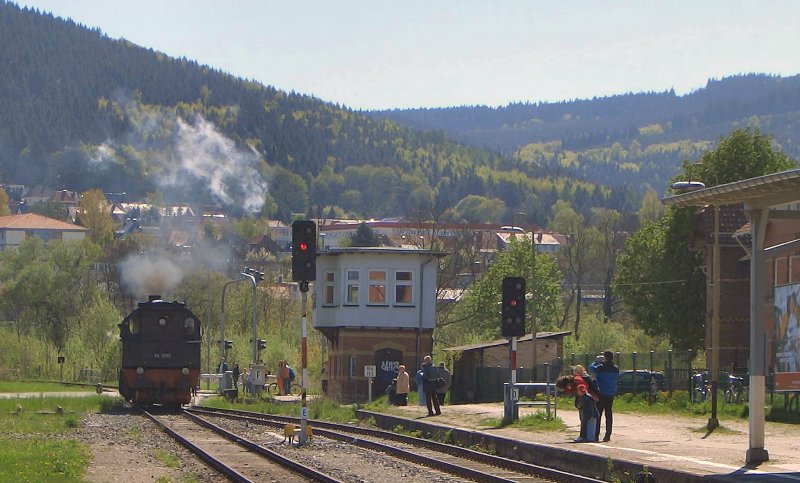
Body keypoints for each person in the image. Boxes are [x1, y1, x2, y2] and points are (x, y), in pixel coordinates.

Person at [589, 350, 620, 442]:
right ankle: (608, 435)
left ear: (605, 358)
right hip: (611, 393)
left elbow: (590, 368)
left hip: (601, 393)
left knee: (598, 414)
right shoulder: (616, 369)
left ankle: (596, 435)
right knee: (608, 414)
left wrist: (597, 361)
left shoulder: (600, 368)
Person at [556, 374, 597, 442]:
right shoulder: (573, 384)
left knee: (587, 419)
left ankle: (586, 436)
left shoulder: (577, 380)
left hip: (588, 401)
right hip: (584, 401)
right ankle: (586, 436)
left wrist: (581, 400)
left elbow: (583, 390)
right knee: (584, 419)